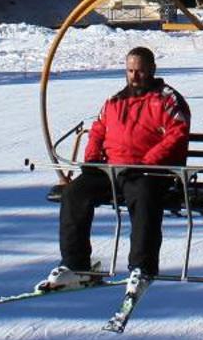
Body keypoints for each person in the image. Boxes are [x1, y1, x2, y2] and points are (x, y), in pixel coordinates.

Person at [43, 47, 190, 291]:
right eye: (130, 71)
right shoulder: (116, 100)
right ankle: (75, 264)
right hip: (113, 170)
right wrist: (92, 161)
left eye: (140, 71)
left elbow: (177, 133)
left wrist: (148, 161)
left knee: (143, 196)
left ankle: (142, 268)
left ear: (152, 70)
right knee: (74, 193)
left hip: (151, 172)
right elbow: (98, 129)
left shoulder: (167, 99)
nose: (135, 76)